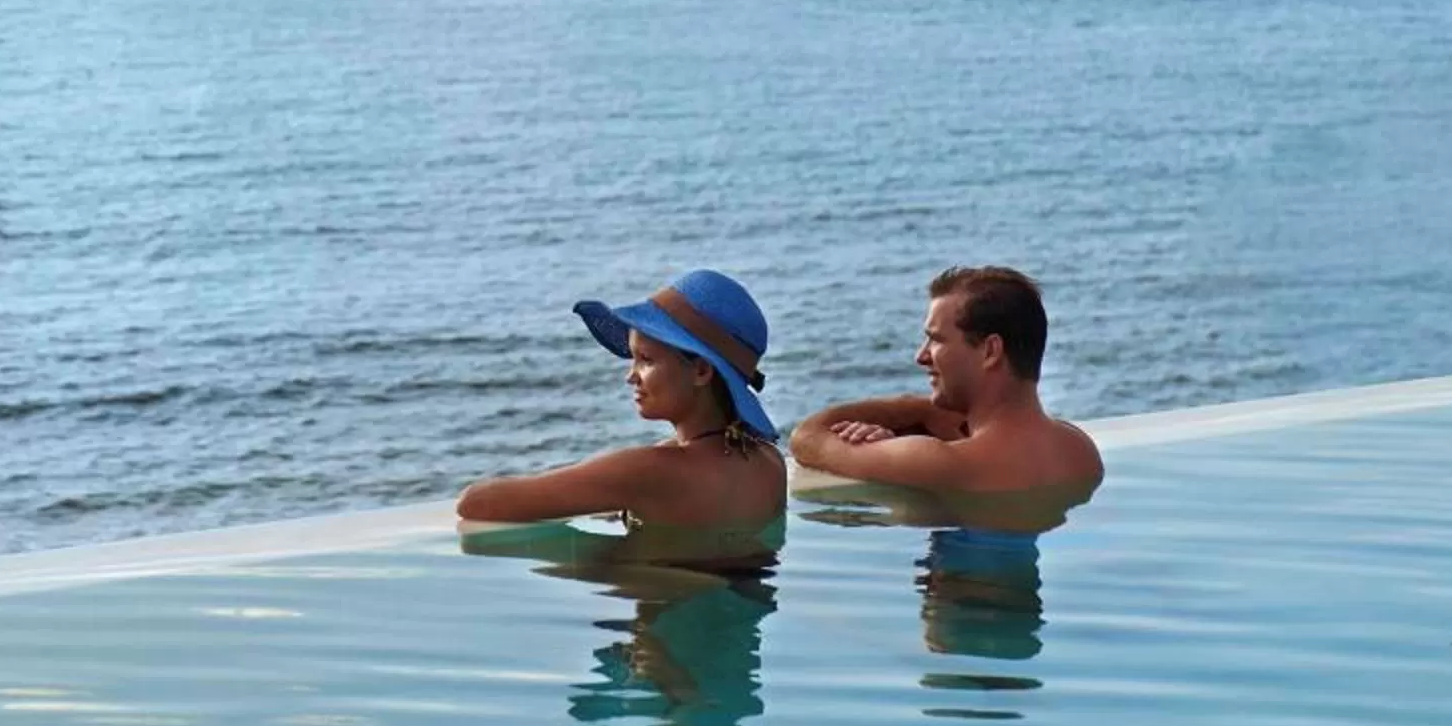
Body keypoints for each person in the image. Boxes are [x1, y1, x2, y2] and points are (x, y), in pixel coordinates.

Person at [457, 269, 786, 527]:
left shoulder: (646, 473)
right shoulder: (770, 463)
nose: (631, 376)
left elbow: (477, 502)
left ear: (701, 371)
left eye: (646, 360)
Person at [788, 266, 1102, 496]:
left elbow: (808, 438)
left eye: (936, 340)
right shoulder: (1080, 451)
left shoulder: (938, 463)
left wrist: (914, 408)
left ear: (990, 351)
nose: (921, 356)